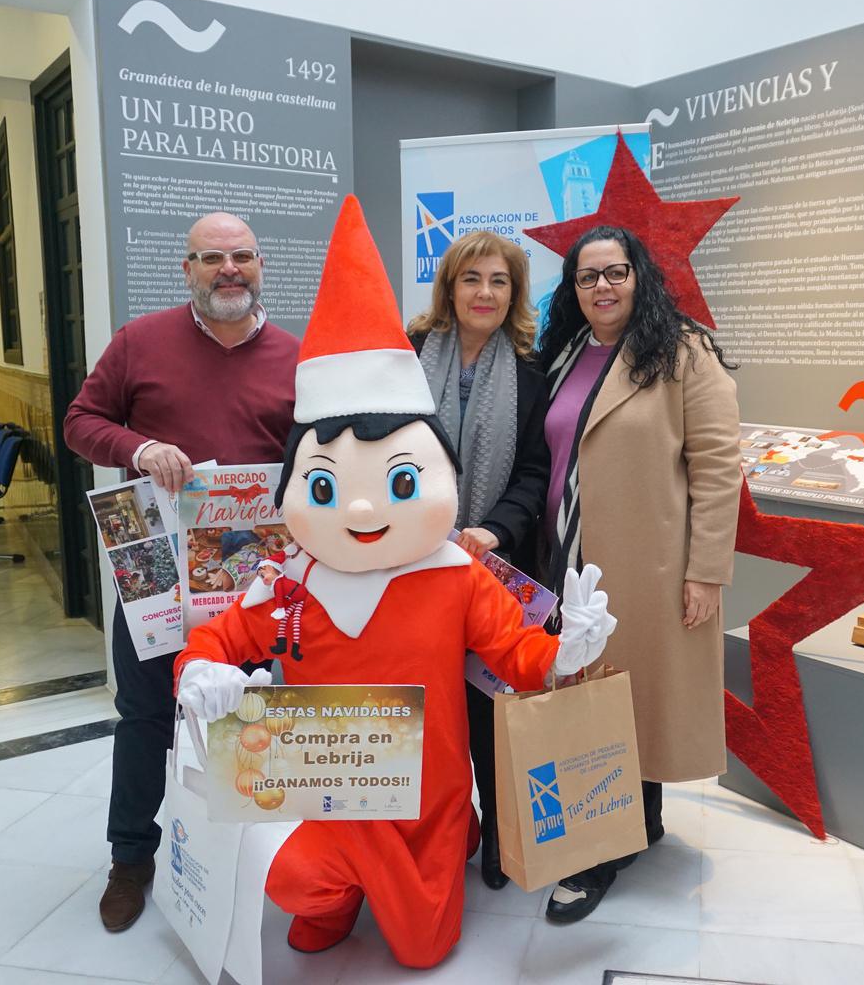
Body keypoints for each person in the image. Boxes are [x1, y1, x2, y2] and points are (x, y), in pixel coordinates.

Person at [175, 195, 612, 968]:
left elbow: (516, 657)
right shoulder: (288, 581)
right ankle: (347, 881)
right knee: (295, 882)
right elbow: (219, 637)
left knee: (420, 950)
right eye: (326, 486)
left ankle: (448, 839)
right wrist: (201, 670)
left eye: (400, 482)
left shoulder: (456, 577)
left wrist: (565, 653)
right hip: (321, 793)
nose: (363, 508)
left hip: (423, 808)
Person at [62, 211, 300, 932]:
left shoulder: (297, 356)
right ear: (187, 268)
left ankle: (235, 855)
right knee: (144, 716)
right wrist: (138, 450)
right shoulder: (140, 341)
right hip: (155, 570)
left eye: (242, 256)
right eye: (212, 258)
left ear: (260, 265)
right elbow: (81, 422)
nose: (229, 270)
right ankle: (131, 857)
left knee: (241, 710)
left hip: (250, 576)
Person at [536, 224, 742, 923]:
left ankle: (596, 854)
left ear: (639, 276)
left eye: (615, 272)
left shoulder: (683, 352)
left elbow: (717, 467)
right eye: (587, 276)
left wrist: (706, 571)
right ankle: (639, 821)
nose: (602, 286)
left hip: (645, 565)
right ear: (572, 288)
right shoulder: (565, 355)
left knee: (621, 703)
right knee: (595, 701)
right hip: (563, 560)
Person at [406, 229, 550, 890]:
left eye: (499, 281)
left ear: (514, 293)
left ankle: (497, 834)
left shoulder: (531, 371)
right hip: (409, 564)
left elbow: (535, 471)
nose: (484, 292)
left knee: (490, 708)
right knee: (428, 711)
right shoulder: (407, 355)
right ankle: (433, 832)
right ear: (449, 287)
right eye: (471, 278)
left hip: (489, 566)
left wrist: (494, 529)